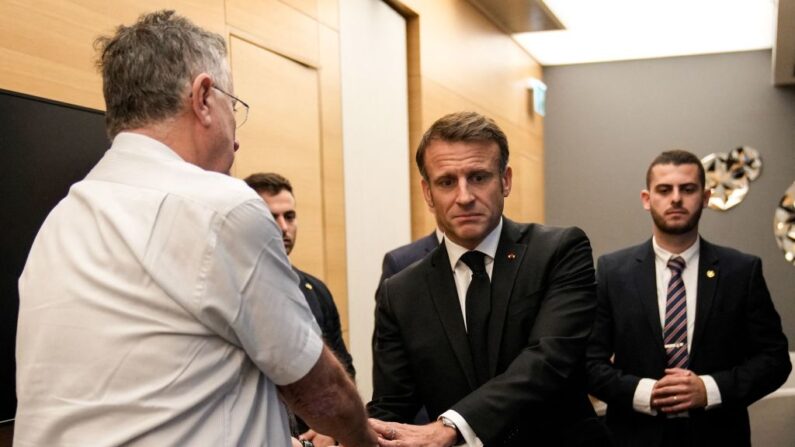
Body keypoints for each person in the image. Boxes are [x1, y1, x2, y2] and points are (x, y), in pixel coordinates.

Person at [14, 10, 376, 447]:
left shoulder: (58, 222)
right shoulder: (220, 207)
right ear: (203, 97)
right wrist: (363, 440)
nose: (237, 139)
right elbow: (322, 394)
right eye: (233, 107)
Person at [367, 111, 609, 446]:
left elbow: (548, 360)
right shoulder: (401, 291)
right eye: (447, 182)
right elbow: (392, 405)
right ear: (427, 192)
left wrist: (453, 426)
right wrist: (344, 427)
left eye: (479, 177)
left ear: (505, 180)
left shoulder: (559, 251)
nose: (464, 196)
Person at [586, 150, 791, 447]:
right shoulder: (612, 271)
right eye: (665, 189)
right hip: (633, 436)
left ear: (706, 197)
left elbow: (774, 361)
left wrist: (709, 389)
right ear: (647, 199)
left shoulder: (742, 271)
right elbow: (588, 363)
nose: (676, 199)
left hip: (719, 437)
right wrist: (646, 393)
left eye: (688, 189)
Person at [245, 172, 355, 447]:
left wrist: (333, 429)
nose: (284, 227)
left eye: (290, 216)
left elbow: (343, 368)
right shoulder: (232, 290)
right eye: (272, 217)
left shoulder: (315, 290)